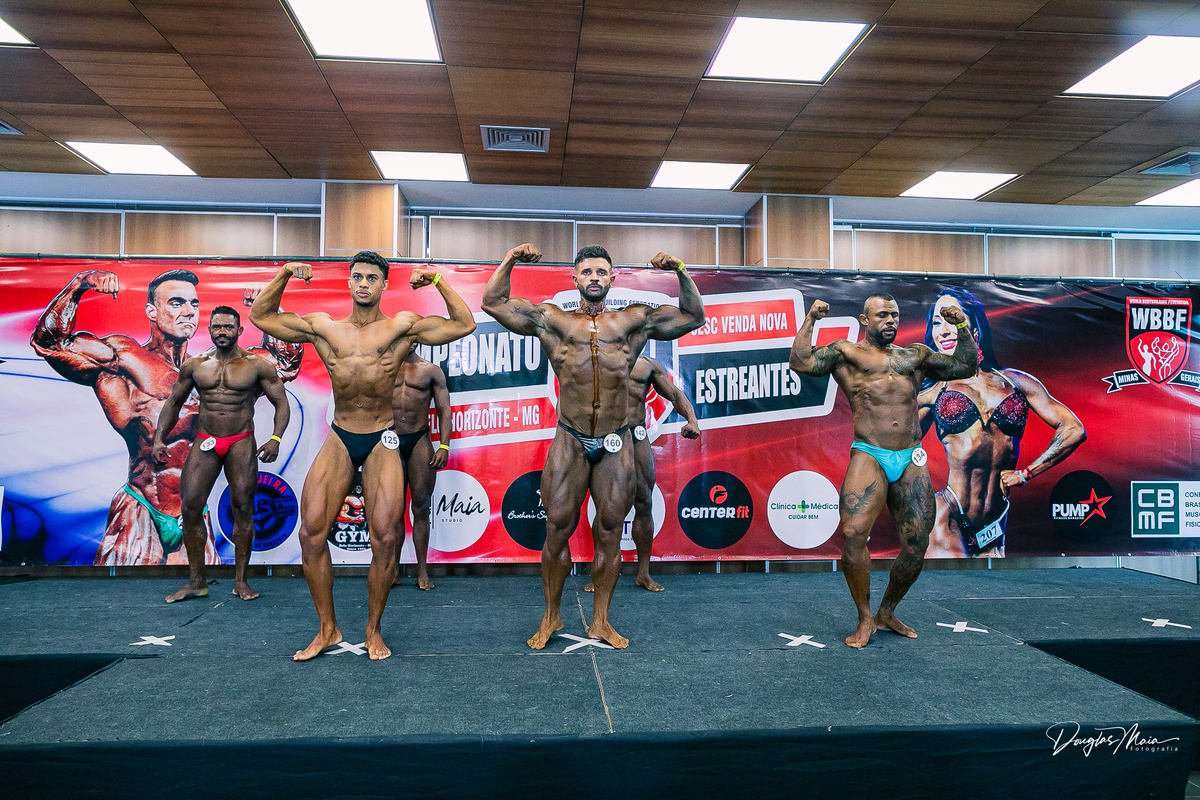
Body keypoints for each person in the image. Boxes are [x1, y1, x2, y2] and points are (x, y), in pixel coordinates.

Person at [250, 251, 475, 661]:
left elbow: (464, 324)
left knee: (385, 537)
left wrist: (438, 281)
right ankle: (328, 629)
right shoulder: (324, 327)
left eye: (372, 277)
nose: (364, 283)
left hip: (381, 437)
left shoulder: (401, 326)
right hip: (341, 434)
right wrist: (284, 274)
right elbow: (261, 316)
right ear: (349, 281)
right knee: (310, 533)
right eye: (357, 276)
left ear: (384, 284)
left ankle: (373, 630)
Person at [482, 243, 705, 650]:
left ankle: (600, 620)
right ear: (575, 278)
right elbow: (493, 302)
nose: (594, 278)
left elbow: (693, 315)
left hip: (616, 441)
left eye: (601, 272)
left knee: (609, 532)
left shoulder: (633, 321)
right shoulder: (553, 320)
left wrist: (680, 270)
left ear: (612, 278)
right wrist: (511, 259)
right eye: (587, 272)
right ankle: (551, 616)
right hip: (570, 438)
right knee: (556, 530)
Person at [31, 269, 302, 566]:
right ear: (152, 311)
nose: (188, 311)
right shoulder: (123, 358)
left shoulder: (214, 369)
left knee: (203, 588)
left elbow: (285, 363)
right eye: (176, 303)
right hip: (141, 504)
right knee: (120, 590)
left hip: (193, 510)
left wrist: (271, 308)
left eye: (194, 304)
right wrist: (79, 284)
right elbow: (50, 344)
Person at [790, 294, 977, 648]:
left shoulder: (915, 355)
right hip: (870, 453)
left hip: (910, 457)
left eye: (894, 314)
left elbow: (964, 366)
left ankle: (887, 611)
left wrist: (962, 327)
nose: (890, 320)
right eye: (882, 315)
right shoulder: (846, 352)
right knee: (853, 533)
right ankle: (865, 617)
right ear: (865, 319)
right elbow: (801, 362)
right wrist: (811, 319)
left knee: (917, 544)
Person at [917, 287, 1086, 557]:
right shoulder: (933, 390)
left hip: (995, 525)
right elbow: (896, 447)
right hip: (948, 517)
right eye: (937, 323)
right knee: (956, 583)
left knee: (991, 585)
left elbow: (1074, 429)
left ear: (975, 328)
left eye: (952, 319)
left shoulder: (1016, 382)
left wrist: (1026, 473)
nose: (944, 330)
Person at [152, 306, 291, 603]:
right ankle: (196, 582)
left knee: (242, 507)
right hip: (206, 440)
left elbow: (281, 402)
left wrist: (276, 438)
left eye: (228, 327)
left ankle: (241, 582)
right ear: (210, 330)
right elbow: (174, 402)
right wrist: (159, 438)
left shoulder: (258, 366)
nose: (222, 332)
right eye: (217, 327)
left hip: (241, 441)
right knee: (190, 506)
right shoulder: (195, 365)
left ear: (239, 330)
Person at [585, 355, 700, 593]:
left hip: (637, 436)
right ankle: (600, 573)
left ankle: (644, 574)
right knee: (605, 508)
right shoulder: (596, 358)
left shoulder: (646, 365)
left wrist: (692, 419)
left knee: (644, 502)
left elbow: (675, 394)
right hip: (607, 438)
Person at [390, 350, 452, 590]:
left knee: (421, 507)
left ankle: (422, 570)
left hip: (419, 440)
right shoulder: (385, 366)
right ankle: (393, 570)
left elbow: (444, 410)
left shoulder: (431, 371)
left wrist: (444, 446)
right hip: (390, 441)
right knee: (394, 510)